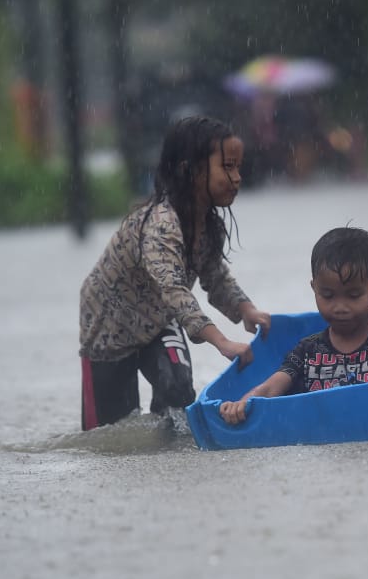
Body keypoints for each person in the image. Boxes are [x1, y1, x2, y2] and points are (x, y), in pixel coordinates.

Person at [79, 116, 271, 430]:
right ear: (189, 169)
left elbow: (215, 275)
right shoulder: (160, 224)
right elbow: (174, 289)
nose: (237, 178)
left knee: (179, 393)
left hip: (158, 320)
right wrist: (221, 341)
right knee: (111, 435)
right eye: (227, 167)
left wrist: (246, 309)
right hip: (108, 329)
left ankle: (170, 454)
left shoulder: (207, 224)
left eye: (238, 167)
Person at [219, 227, 368, 425]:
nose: (340, 307)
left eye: (353, 295)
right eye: (327, 295)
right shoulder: (307, 351)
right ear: (314, 289)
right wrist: (243, 403)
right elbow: (271, 387)